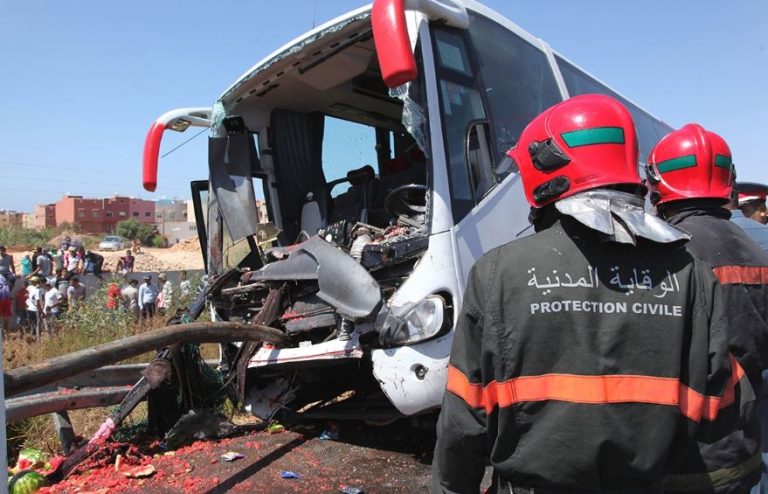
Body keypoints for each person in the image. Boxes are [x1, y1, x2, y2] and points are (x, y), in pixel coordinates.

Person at [431, 95, 752, 493]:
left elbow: (464, 422)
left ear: (542, 169)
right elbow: (723, 412)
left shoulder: (498, 273)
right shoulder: (692, 276)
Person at [646, 124, 768, 492]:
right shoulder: (757, 251)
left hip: (675, 462)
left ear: (657, 185)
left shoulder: (654, 255)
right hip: (741, 452)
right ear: (729, 183)